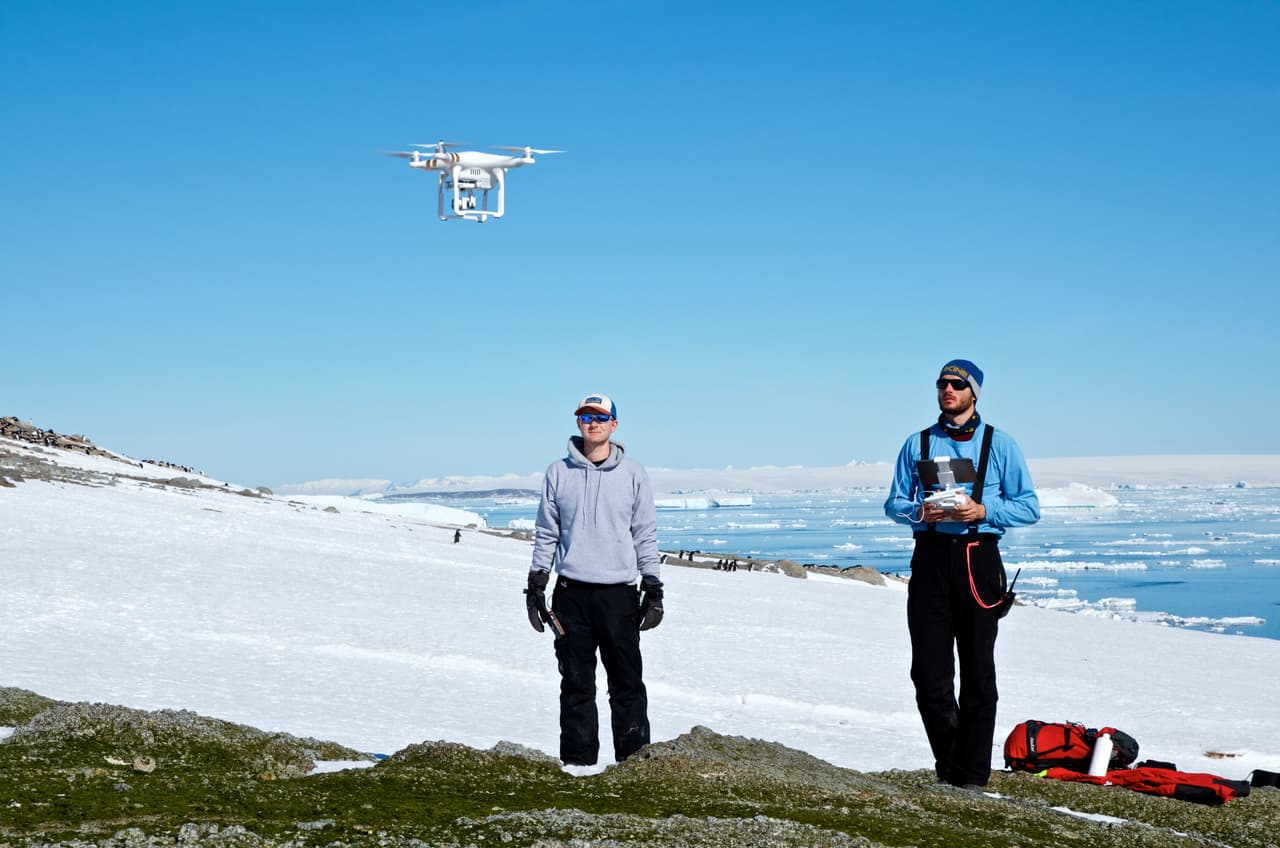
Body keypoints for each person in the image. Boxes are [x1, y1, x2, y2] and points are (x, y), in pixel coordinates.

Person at [884, 359, 1040, 790]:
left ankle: (970, 776)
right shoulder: (917, 443)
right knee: (928, 674)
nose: (948, 390)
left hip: (977, 558)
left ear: (974, 392)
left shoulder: (999, 443)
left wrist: (983, 510)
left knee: (977, 673)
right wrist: (919, 511)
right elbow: (894, 503)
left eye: (957, 384)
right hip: (930, 558)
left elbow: (1029, 506)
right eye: (942, 383)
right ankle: (952, 764)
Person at [525, 392, 664, 766]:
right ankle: (578, 766)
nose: (593, 424)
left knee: (627, 684)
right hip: (571, 595)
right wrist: (536, 583)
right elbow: (547, 532)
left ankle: (632, 765)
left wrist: (653, 586)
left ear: (614, 425)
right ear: (578, 423)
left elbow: (644, 533)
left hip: (619, 596)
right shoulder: (558, 472)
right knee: (575, 684)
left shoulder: (633, 473)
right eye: (587, 417)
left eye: (601, 418)